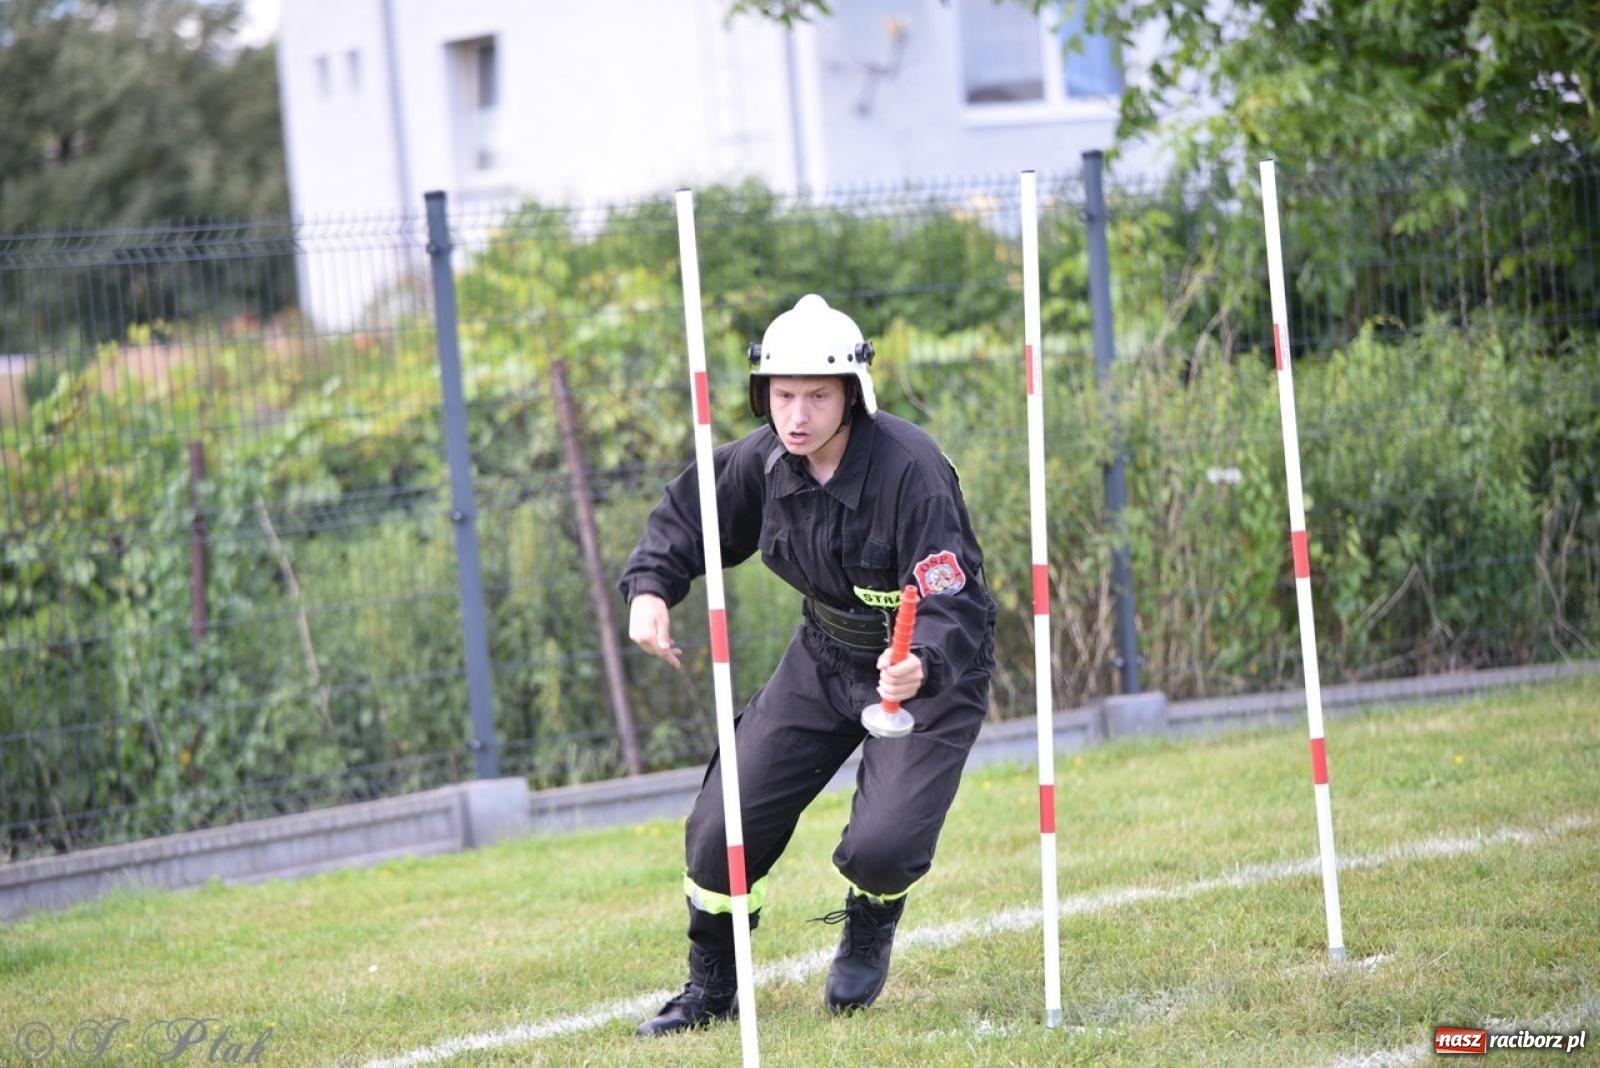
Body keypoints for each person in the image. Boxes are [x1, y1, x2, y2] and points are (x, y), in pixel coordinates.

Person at [619, 294, 997, 1036]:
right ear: (762, 393)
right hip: (823, 655)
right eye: (782, 395)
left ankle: (871, 916)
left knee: (883, 846)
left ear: (853, 394)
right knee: (719, 831)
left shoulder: (912, 470)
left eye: (817, 397)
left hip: (928, 672)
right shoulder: (762, 461)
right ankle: (713, 986)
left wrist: (922, 663)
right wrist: (651, 590)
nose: (796, 416)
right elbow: (688, 517)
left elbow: (955, 595)